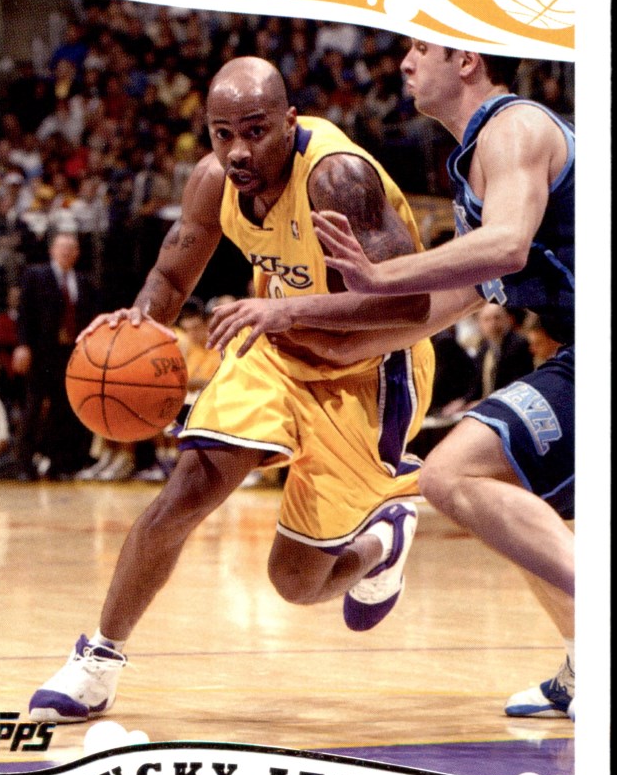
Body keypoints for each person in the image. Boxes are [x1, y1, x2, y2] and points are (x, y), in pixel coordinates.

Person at [28, 55, 438, 724]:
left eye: (255, 130)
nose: (239, 150)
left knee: (295, 582)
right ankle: (99, 659)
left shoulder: (337, 178)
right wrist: (136, 326)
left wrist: (288, 310)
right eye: (223, 134)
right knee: (187, 489)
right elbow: (170, 278)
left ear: (289, 121)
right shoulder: (212, 182)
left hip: (372, 369)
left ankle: (382, 541)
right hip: (274, 350)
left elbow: (412, 305)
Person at [225, 41, 574, 720]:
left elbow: (507, 245)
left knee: (453, 474)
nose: (405, 62)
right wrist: (321, 340)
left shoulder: (515, 127)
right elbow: (448, 302)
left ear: (466, 59)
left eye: (421, 48)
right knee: (498, 482)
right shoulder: (476, 163)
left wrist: (380, 274)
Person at [12, 231, 100, 479]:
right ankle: (23, 465)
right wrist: (23, 345)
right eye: (62, 247)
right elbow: (24, 312)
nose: (66, 252)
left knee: (63, 409)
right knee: (33, 406)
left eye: (71, 248)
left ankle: (58, 464)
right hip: (41, 352)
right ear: (52, 250)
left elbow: (90, 317)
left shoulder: (83, 281)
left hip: (70, 353)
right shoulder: (35, 275)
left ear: (78, 253)